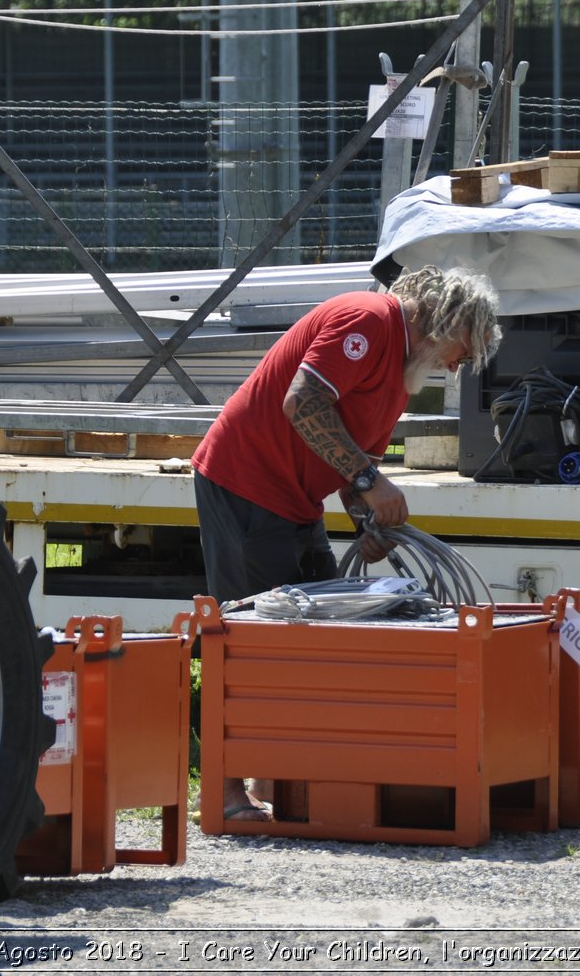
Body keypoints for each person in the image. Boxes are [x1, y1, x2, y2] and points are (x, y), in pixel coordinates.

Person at [191, 264, 502, 821]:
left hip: (294, 499)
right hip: (246, 482)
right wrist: (367, 484)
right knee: (251, 640)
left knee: (310, 637)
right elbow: (303, 403)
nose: (462, 365)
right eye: (465, 347)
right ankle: (225, 792)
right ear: (444, 319)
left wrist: (367, 522)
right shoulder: (368, 320)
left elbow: (351, 458)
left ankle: (274, 780)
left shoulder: (403, 373)